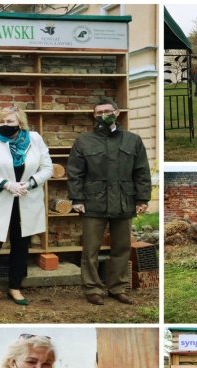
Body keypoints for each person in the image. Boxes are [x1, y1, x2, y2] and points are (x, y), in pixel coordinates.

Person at [67, 98, 152, 306]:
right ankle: (92, 289)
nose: (104, 115)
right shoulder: (84, 141)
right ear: (94, 116)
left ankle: (117, 287)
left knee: (122, 247)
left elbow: (141, 171)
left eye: (107, 111)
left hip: (124, 201)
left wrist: (142, 198)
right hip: (93, 202)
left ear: (117, 112)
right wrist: (77, 198)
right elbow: (75, 172)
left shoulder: (133, 140)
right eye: (99, 112)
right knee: (90, 249)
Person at [0, 107, 53, 307]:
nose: (5, 125)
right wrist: (7, 184)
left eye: (9, 122)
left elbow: (47, 167)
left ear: (20, 124)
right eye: (1, 122)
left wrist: (30, 183)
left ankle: (15, 287)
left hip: (26, 198)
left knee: (21, 245)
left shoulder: (34, 139)